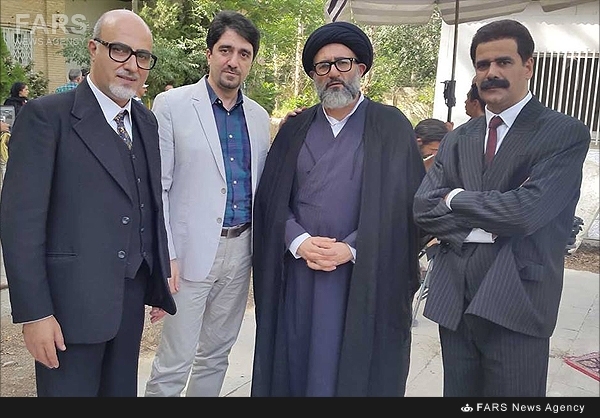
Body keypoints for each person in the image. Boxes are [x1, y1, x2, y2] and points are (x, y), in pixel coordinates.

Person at [0, 9, 176, 397]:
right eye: (119, 50)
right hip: (69, 310)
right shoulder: (47, 118)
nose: (132, 65)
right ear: (94, 49)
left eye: (142, 56)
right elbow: (20, 224)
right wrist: (35, 313)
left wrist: (158, 275)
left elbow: (148, 202)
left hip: (128, 301)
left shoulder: (145, 122)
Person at [413, 19, 591, 397]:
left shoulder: (562, 132)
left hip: (518, 297)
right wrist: (492, 224)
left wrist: (454, 198)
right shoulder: (458, 138)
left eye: (503, 62)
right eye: (483, 65)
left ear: (528, 66)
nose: (491, 73)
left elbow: (526, 212)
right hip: (455, 298)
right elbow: (424, 207)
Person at [251, 21, 425, 397]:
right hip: (300, 273)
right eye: (323, 66)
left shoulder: (391, 126)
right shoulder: (294, 129)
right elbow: (270, 199)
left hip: (364, 275)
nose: (333, 73)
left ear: (360, 68)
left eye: (342, 63)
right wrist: (297, 241)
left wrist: (352, 247)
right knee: (297, 363)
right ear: (314, 75)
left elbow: (407, 206)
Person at [143, 10, 271, 397]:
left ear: (251, 61)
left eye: (244, 54)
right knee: (174, 361)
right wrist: (167, 255)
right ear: (209, 53)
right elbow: (159, 187)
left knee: (216, 355)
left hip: (241, 250)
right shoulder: (172, 105)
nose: (234, 61)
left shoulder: (259, 117)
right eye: (226, 50)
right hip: (189, 254)